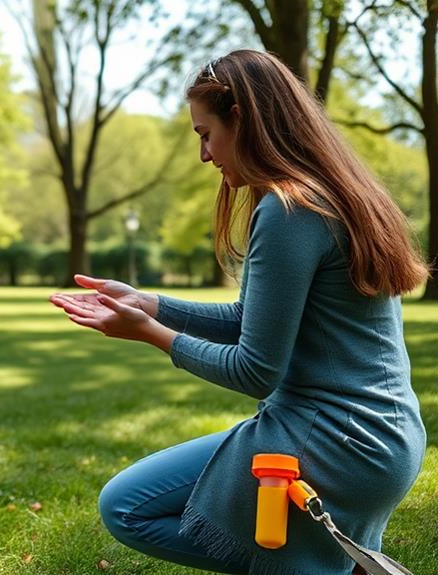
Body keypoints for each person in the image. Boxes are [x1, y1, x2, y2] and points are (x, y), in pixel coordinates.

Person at [49, 49, 431, 575]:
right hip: (385, 435)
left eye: (205, 134)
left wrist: (153, 334)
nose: (204, 154)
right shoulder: (332, 193)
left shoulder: (288, 210)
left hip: (335, 443)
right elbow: (250, 319)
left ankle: (322, 564)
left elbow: (255, 370)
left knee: (127, 507)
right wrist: (149, 303)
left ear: (242, 120)